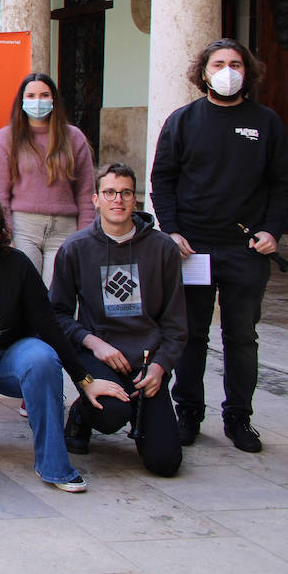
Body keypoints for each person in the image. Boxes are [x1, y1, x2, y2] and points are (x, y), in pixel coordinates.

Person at [0, 190, 126, 494]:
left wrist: (85, 379)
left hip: (14, 355)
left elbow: (50, 326)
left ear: (0, 229)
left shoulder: (17, 265)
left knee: (42, 358)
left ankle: (55, 465)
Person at [152, 38, 288, 453]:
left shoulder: (266, 122)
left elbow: (282, 184)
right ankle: (189, 413)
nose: (227, 70)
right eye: (219, 63)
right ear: (204, 72)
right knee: (191, 335)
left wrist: (272, 231)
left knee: (242, 337)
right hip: (192, 248)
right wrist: (172, 230)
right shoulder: (182, 120)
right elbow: (163, 179)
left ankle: (239, 418)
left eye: (236, 63)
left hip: (246, 249)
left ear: (247, 72)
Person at [50, 163, 187, 477]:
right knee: (111, 415)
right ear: (96, 199)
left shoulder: (163, 248)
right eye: (109, 192)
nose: (118, 200)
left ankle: (142, 408)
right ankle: (82, 414)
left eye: (125, 193)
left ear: (134, 201)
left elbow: (177, 323)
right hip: (99, 357)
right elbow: (56, 314)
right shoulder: (76, 248)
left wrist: (160, 366)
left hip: (146, 361)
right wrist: (94, 343)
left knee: (165, 463)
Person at [0, 72, 94, 287]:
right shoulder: (6, 138)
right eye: (32, 95)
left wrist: (85, 236)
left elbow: (85, 193)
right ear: (22, 101)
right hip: (23, 228)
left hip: (65, 230)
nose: (38, 101)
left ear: (54, 99)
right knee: (25, 293)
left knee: (58, 296)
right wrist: (6, 236)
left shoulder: (74, 137)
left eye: (44, 95)